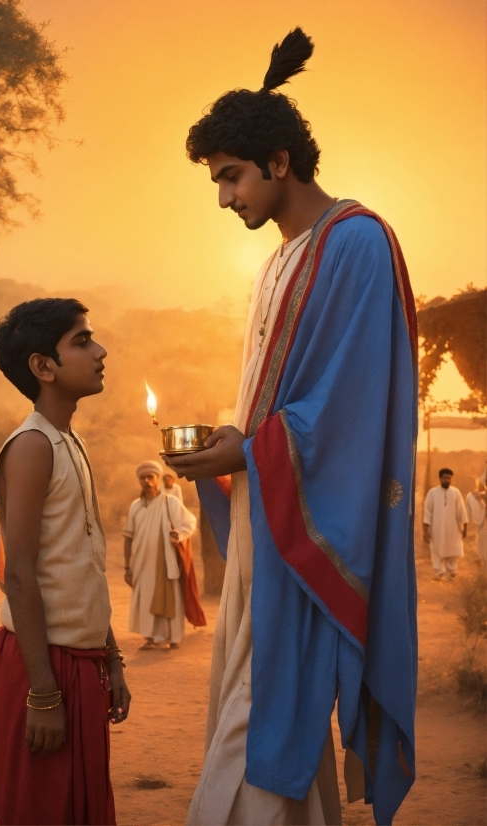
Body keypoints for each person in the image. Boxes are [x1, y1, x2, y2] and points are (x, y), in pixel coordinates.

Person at [166, 28, 418, 826]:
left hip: (310, 520)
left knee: (268, 705)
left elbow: (353, 405)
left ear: (279, 162)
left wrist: (256, 448)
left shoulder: (357, 242)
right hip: (261, 521)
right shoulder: (277, 259)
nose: (223, 197)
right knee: (260, 699)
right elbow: (272, 400)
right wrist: (229, 444)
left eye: (231, 176)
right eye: (216, 180)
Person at [0, 297, 130, 826]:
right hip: (38, 664)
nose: (100, 350)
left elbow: (80, 566)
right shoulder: (31, 446)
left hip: (77, 661)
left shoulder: (70, 442)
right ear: (43, 367)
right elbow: (18, 574)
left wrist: (111, 658)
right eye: (82, 341)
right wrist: (44, 695)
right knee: (43, 811)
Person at [124, 461, 197, 650]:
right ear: (139, 480)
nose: (147, 480)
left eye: (150, 477)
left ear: (157, 478)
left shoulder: (169, 502)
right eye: (143, 477)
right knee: (146, 597)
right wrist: (127, 566)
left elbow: (189, 521)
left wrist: (178, 534)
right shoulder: (135, 506)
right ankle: (150, 638)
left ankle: (173, 637)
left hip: (165, 559)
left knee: (169, 595)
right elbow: (128, 537)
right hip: (141, 562)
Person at [423, 468, 468, 579]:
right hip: (437, 527)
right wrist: (425, 530)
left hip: (454, 528)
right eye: (445, 478)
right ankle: (439, 572)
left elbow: (462, 510)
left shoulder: (455, 492)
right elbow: (427, 512)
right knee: (436, 549)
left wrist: (465, 527)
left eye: (449, 478)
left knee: (454, 548)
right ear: (440, 479)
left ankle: (452, 571)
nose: (447, 480)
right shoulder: (432, 493)